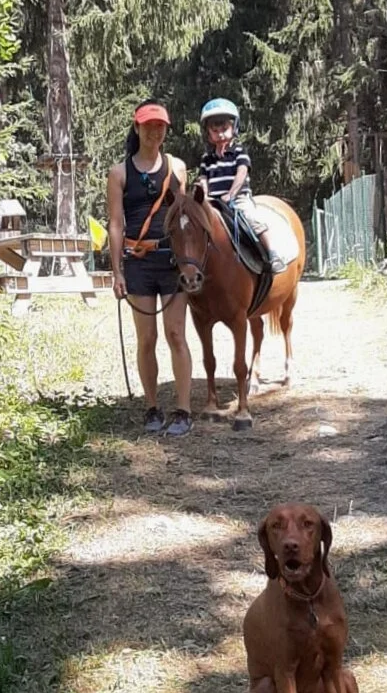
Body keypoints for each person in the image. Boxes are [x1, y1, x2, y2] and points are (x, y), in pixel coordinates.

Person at [107, 101, 195, 438]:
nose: (154, 132)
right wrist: (117, 272)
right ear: (137, 128)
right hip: (138, 263)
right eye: (148, 125)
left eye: (160, 126)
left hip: (171, 262)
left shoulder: (178, 168)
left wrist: (189, 263)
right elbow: (116, 224)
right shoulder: (119, 173)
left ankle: (184, 410)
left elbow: (184, 220)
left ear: (166, 130)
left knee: (176, 335)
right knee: (147, 338)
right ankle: (152, 407)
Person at [196, 97, 288, 271]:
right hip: (213, 202)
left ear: (234, 128)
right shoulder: (206, 158)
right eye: (215, 130)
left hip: (237, 200)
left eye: (224, 129)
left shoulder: (239, 151)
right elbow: (203, 179)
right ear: (207, 133)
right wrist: (204, 194)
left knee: (253, 219)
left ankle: (272, 254)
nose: (220, 134)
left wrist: (231, 193)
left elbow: (242, 172)